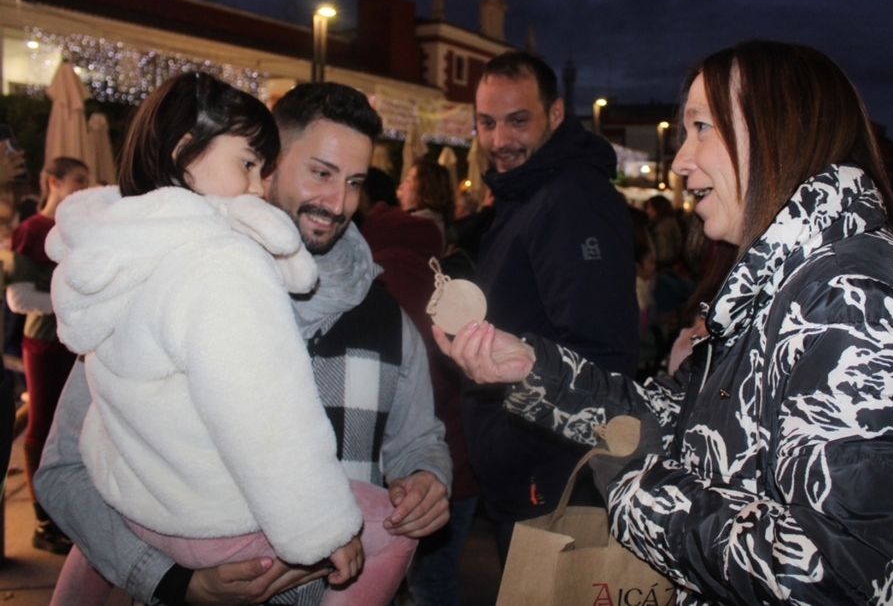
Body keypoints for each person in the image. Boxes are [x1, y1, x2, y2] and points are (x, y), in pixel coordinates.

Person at [437, 40, 893, 603]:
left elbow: (835, 574)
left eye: (701, 129)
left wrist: (636, 492)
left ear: (773, 131)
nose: (682, 160)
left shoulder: (857, 300)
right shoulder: (785, 284)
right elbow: (679, 421)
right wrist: (532, 371)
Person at [36, 80, 452, 606]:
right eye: (321, 173)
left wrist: (427, 480)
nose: (339, 201)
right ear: (267, 165)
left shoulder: (385, 316)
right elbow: (67, 471)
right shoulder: (160, 283)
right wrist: (171, 581)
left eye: (355, 181)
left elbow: (418, 441)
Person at [467, 50, 638, 560]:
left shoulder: (570, 199)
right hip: (529, 479)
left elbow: (600, 357)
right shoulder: (530, 193)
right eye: (487, 122)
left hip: (547, 486)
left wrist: (510, 453)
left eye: (518, 121)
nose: (500, 140)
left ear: (556, 115)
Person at [357, 170, 479, 606]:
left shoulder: (379, 285)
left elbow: (404, 403)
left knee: (428, 583)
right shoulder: (438, 272)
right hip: (455, 459)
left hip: (417, 474)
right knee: (432, 579)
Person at [7, 155, 88, 554]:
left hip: (74, 343)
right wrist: (70, 302)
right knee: (40, 427)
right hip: (42, 343)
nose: (83, 188)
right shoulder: (30, 230)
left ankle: (63, 514)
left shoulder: (77, 229)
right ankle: (43, 520)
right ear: (53, 182)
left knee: (69, 428)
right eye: (77, 180)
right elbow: (18, 297)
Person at [396, 160, 455, 249]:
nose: (401, 186)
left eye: (408, 180)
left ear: (425, 188)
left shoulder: (419, 228)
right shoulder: (433, 222)